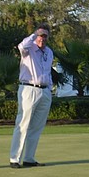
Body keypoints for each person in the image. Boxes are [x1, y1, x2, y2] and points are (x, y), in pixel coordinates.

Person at [9, 25, 53, 168]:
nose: (42, 39)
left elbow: (48, 72)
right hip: (29, 89)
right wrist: (35, 34)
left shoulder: (49, 52)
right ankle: (14, 158)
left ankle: (29, 158)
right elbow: (21, 46)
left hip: (45, 91)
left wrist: (49, 89)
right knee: (23, 124)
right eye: (41, 35)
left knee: (37, 127)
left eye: (45, 36)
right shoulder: (28, 49)